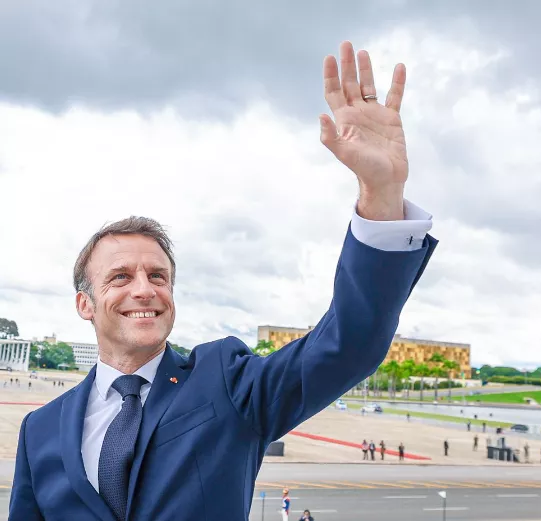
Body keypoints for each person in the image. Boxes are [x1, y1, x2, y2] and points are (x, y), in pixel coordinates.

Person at [9, 41, 437, 521]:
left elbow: (349, 343)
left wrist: (381, 194)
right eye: (120, 277)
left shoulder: (225, 381)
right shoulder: (40, 430)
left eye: (158, 275)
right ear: (84, 304)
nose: (144, 289)